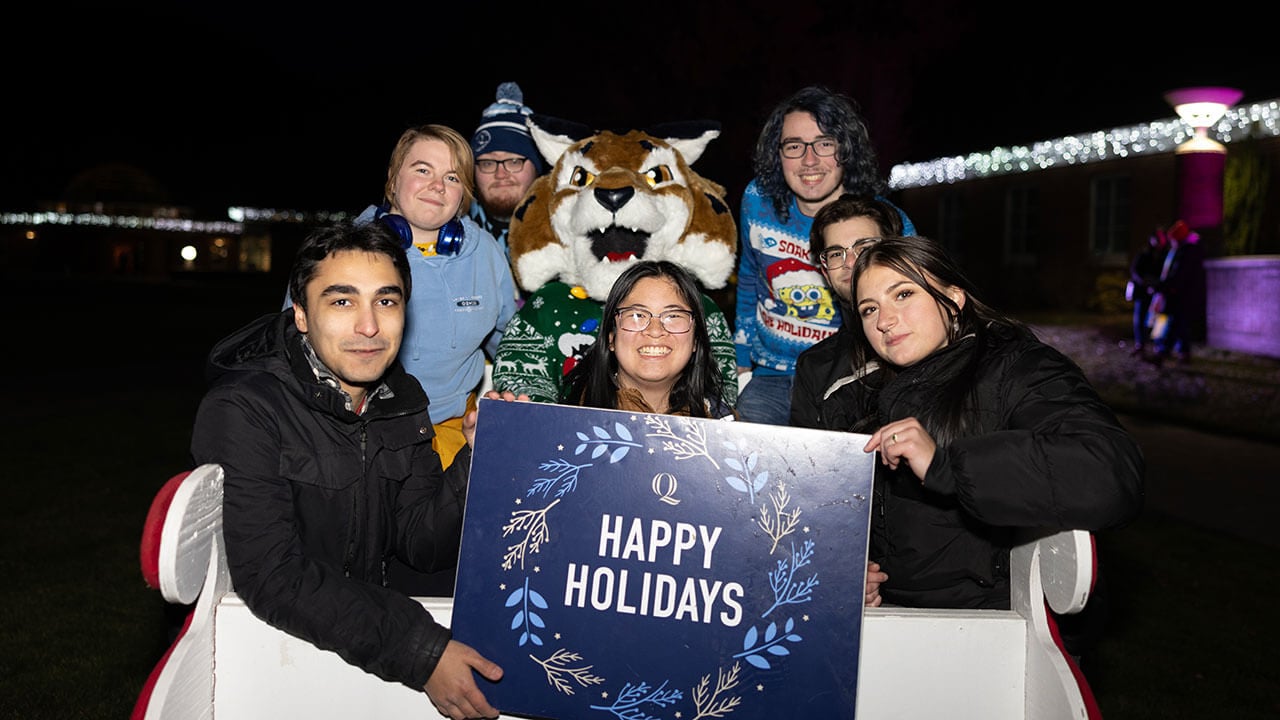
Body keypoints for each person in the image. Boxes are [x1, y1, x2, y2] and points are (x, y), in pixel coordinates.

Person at [190, 220, 504, 720]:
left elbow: (421, 543)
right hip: (270, 661)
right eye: (342, 302)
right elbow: (272, 575)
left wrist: (475, 458)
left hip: (359, 653)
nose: (369, 327)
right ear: (300, 315)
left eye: (386, 301)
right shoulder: (245, 408)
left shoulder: (402, 399)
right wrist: (422, 652)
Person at [798, 234, 1144, 658]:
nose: (885, 320)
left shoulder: (1017, 368)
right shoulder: (868, 396)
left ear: (954, 297)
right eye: (869, 309)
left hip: (994, 634)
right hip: (895, 632)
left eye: (903, 294)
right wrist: (852, 573)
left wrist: (947, 467)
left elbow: (1111, 472)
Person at [733, 85, 914, 425]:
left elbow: (915, 304)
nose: (809, 160)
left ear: (846, 150)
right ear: (778, 154)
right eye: (794, 146)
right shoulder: (757, 201)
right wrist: (740, 357)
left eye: (824, 143)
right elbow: (749, 276)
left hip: (853, 377)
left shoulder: (885, 221)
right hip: (771, 374)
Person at [352, 123, 518, 469]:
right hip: (364, 434)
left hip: (454, 431)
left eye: (453, 177)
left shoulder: (483, 251)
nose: (437, 186)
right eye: (422, 170)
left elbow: (509, 340)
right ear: (394, 179)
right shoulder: (345, 252)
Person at [564, 260, 736, 419]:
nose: (655, 331)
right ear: (611, 337)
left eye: (673, 316)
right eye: (637, 315)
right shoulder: (567, 423)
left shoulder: (724, 428)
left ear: (696, 341)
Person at [789, 194, 904, 431]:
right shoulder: (815, 366)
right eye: (835, 253)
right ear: (825, 272)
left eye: (864, 248)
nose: (850, 262)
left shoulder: (934, 338)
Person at [468, 81, 546, 277]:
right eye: (487, 163)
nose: (501, 174)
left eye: (513, 161)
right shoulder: (452, 232)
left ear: (536, 168)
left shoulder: (564, 231)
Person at [1150, 219, 1206, 366]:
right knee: (1178, 325)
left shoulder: (1185, 252)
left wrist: (1161, 286)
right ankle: (1177, 351)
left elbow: (1179, 275)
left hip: (1178, 295)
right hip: (1175, 294)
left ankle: (1162, 350)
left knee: (1171, 323)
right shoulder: (1181, 251)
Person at [1127, 227, 1167, 357]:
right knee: (1139, 318)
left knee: (1159, 319)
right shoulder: (1144, 254)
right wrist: (1144, 283)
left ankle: (1159, 345)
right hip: (1143, 292)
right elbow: (1135, 271)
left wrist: (1157, 285)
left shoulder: (1164, 255)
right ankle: (1140, 344)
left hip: (1157, 292)